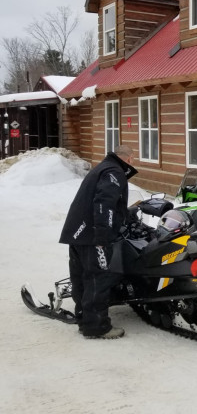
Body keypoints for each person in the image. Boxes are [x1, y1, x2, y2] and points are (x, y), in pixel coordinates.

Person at [59, 144, 138, 338]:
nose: (133, 162)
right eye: (133, 159)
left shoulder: (101, 168)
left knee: (82, 279)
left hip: (77, 233)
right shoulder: (114, 172)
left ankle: (85, 320)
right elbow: (104, 204)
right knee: (98, 279)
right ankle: (97, 327)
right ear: (127, 158)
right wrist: (103, 236)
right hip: (93, 236)